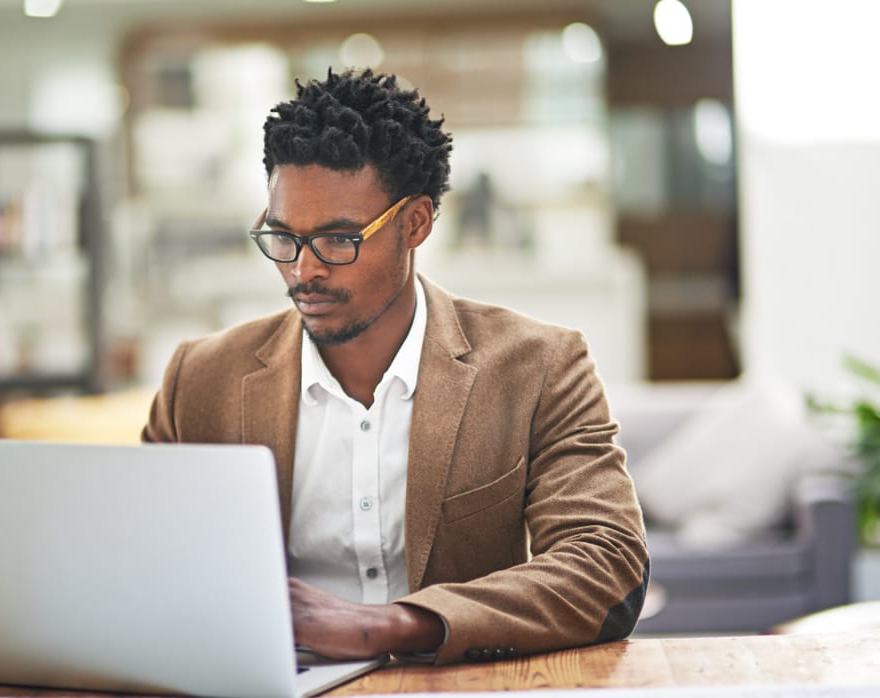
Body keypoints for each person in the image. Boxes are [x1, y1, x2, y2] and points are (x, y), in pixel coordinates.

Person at [142, 68, 648, 665]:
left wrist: (394, 626)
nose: (303, 271)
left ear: (416, 224)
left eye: (339, 240)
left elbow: (606, 564)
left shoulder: (537, 367)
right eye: (284, 238)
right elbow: (142, 564)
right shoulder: (200, 380)